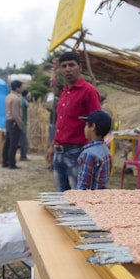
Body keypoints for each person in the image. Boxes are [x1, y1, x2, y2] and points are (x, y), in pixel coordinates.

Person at [45, 51, 101, 191]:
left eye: (71, 65)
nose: (67, 69)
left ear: (80, 67)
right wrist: (52, 146)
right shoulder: (64, 93)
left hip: (78, 153)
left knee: (79, 200)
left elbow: (97, 124)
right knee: (61, 198)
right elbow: (60, 124)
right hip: (59, 153)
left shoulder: (89, 91)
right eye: (64, 66)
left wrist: (93, 153)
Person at [76, 110, 112, 189]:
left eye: (86, 125)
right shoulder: (106, 150)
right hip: (100, 197)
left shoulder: (88, 154)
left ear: (93, 127)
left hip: (88, 199)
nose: (84, 128)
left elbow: (83, 185)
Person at [2, 80, 24, 169]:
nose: (22, 89)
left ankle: (5, 161)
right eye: (21, 87)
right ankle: (12, 163)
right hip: (14, 121)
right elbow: (16, 113)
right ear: (17, 88)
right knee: (13, 144)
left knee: (7, 142)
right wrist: (20, 124)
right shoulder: (15, 98)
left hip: (8, 120)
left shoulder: (8, 96)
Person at [19, 90, 31, 161]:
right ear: (26, 95)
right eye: (29, 95)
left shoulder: (24, 102)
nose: (30, 96)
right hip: (22, 124)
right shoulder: (23, 103)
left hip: (23, 123)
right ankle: (23, 156)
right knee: (23, 141)